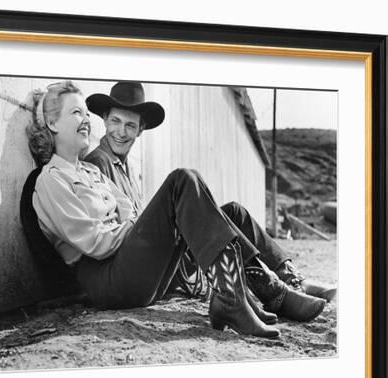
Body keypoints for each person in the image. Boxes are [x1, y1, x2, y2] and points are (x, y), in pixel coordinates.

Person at [27, 80, 328, 339]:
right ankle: (242, 297)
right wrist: (155, 224)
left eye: (85, 112)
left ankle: (262, 291)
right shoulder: (51, 181)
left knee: (230, 211)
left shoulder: (90, 174)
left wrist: (155, 223)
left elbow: (128, 209)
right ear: (52, 123)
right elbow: (98, 243)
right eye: (76, 112)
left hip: (129, 270)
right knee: (183, 180)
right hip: (106, 282)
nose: (86, 120)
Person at [84, 81, 337, 309]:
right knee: (186, 185)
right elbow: (110, 236)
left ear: (140, 130)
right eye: (116, 121)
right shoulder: (97, 163)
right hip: (136, 271)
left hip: (153, 261)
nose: (121, 132)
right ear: (104, 119)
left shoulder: (127, 167)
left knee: (234, 212)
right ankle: (271, 288)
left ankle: (291, 277)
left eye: (130, 125)